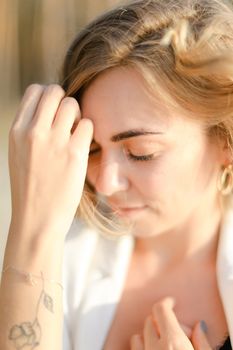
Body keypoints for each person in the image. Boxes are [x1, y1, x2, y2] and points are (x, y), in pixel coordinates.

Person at [1, 0, 233, 349]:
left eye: (142, 153)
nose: (105, 183)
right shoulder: (66, 259)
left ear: (224, 139)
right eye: (92, 150)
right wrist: (33, 232)